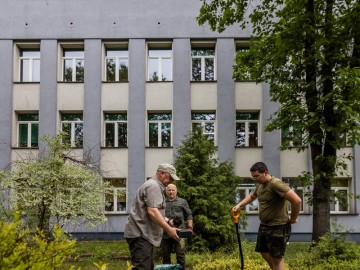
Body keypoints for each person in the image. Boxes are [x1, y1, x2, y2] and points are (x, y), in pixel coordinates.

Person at [232, 162, 301, 270]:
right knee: (264, 252)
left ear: (265, 172)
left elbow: (297, 201)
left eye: (256, 176)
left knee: (276, 258)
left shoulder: (276, 184)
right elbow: (252, 196)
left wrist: (293, 218)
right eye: (253, 177)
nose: (254, 179)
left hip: (278, 226)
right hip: (265, 225)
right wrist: (239, 205)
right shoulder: (260, 184)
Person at [124, 163, 181, 270]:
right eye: (170, 178)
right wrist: (169, 229)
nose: (171, 182)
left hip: (142, 235)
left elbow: (150, 211)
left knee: (148, 267)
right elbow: (153, 212)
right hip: (140, 235)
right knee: (143, 268)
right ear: (162, 173)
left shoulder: (154, 186)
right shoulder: (153, 186)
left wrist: (169, 221)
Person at [161, 183, 193, 269]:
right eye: (169, 190)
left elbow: (189, 215)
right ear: (166, 191)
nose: (171, 192)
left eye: (173, 190)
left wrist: (190, 228)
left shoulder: (182, 201)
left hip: (180, 233)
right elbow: (159, 215)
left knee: (180, 255)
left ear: (176, 191)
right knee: (166, 256)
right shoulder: (162, 202)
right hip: (166, 232)